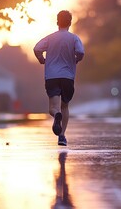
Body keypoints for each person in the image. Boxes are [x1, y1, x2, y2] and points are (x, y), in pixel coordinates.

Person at [33, 10, 85, 146]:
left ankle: (56, 116)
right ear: (70, 23)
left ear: (57, 22)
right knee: (65, 106)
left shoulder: (50, 38)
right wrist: (76, 59)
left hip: (52, 76)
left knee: (53, 108)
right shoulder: (74, 38)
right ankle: (62, 136)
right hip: (68, 77)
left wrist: (41, 59)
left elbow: (37, 48)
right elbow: (80, 51)